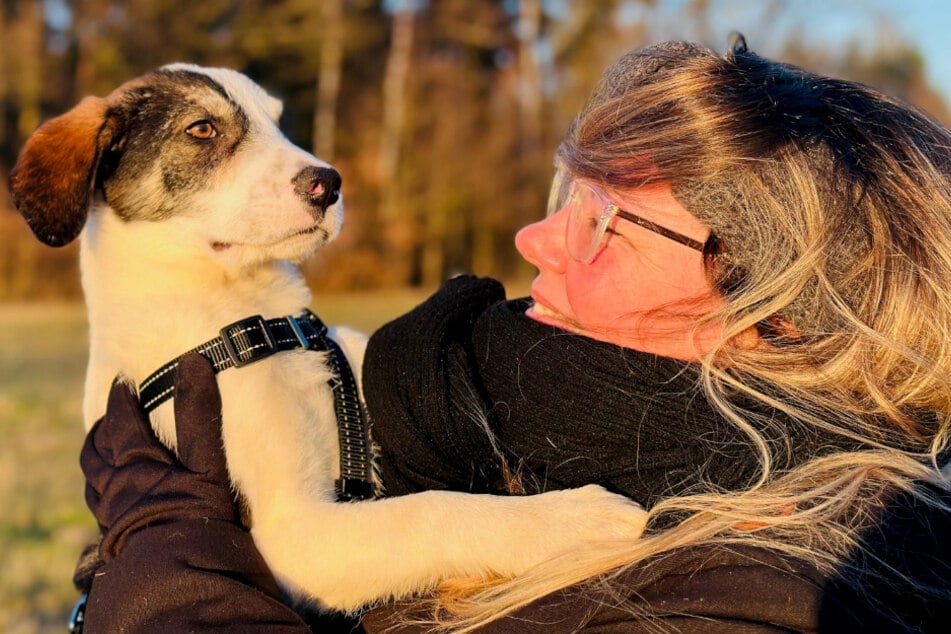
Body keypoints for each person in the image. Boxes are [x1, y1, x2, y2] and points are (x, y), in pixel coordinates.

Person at [75, 36, 951, 632]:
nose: (534, 242)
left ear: (780, 321)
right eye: (562, 198)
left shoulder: (779, 594)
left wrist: (172, 592)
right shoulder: (447, 400)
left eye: (606, 224)